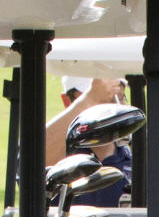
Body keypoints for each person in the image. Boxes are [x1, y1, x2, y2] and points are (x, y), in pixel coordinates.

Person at [45, 76, 131, 207]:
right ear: (67, 101)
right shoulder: (61, 155)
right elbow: (31, 167)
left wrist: (107, 153)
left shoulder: (135, 154)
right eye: (101, 101)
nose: (108, 108)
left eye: (116, 98)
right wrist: (90, 99)